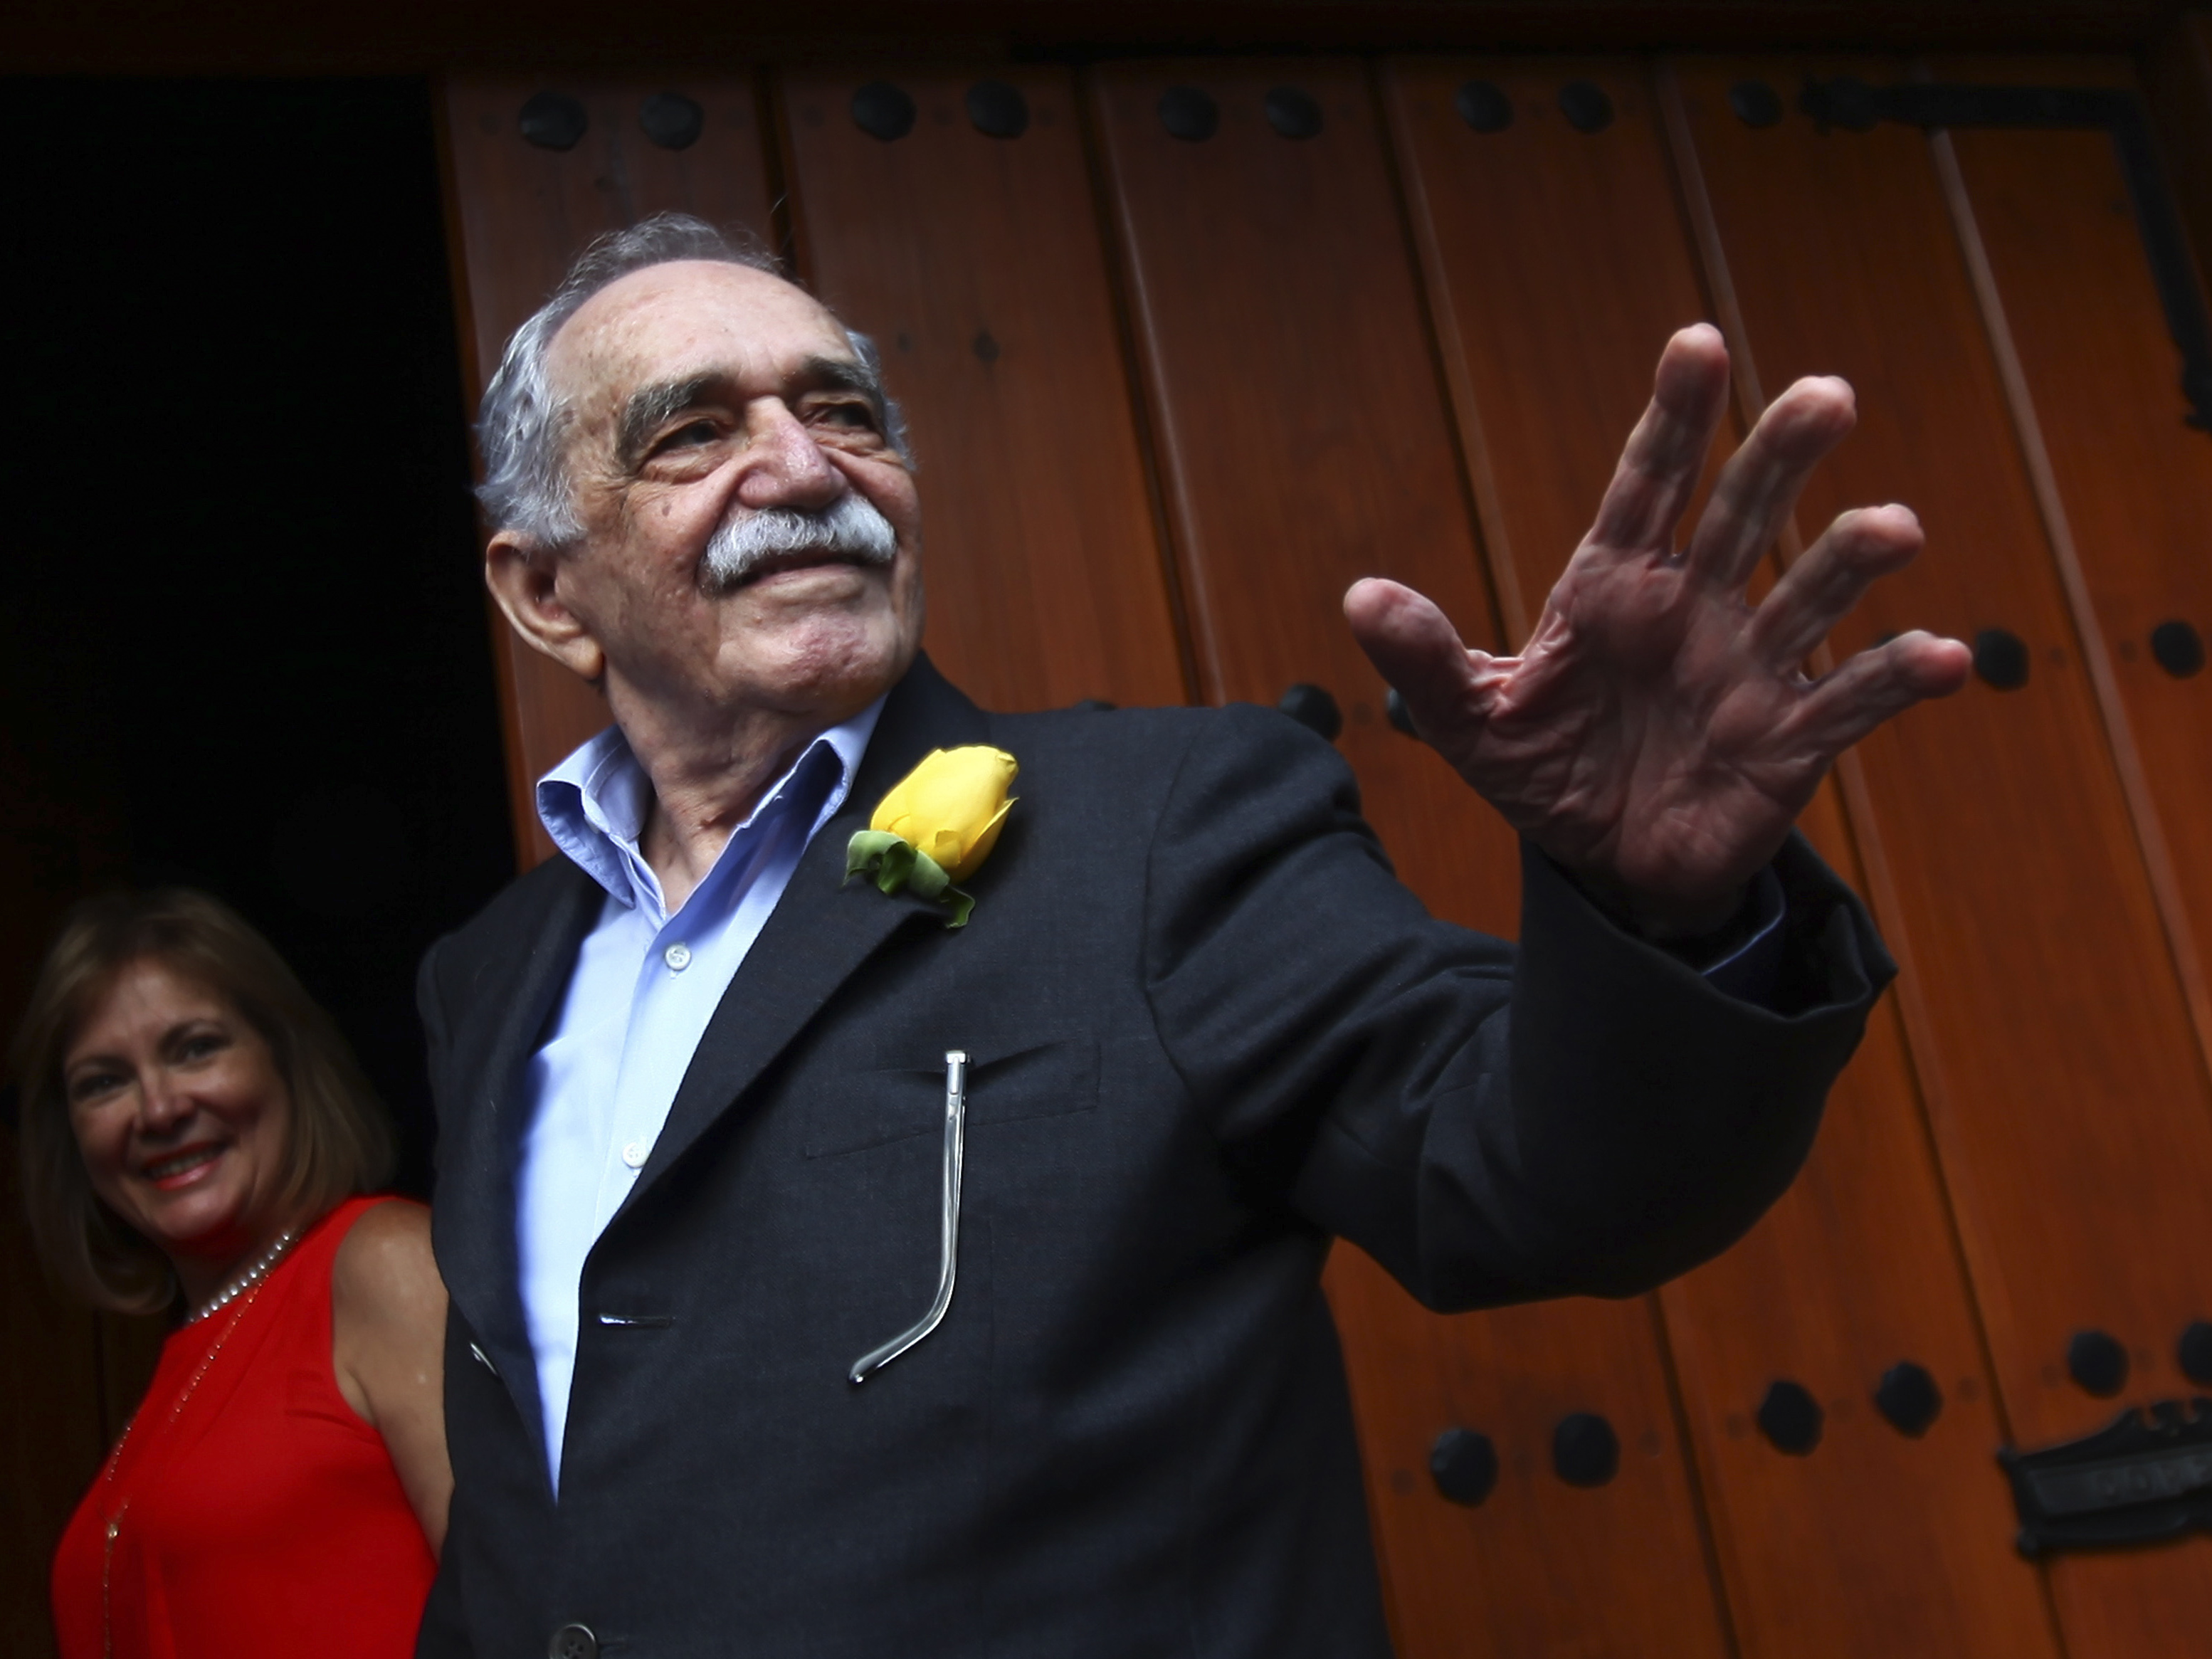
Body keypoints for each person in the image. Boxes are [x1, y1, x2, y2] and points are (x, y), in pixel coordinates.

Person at [418, 214, 1969, 1658]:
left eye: (842, 414)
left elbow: (1534, 1177)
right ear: (547, 591)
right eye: (693, 432)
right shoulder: (486, 980)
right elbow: (525, 1509)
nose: (801, 467)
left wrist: (1658, 906)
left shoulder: (1160, 823)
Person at [14, 889, 452, 1659]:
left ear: (284, 1059)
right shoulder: (182, 1361)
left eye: (195, 1048)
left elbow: (538, 1607)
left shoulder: (379, 1263)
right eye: (103, 1082)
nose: (157, 1109)